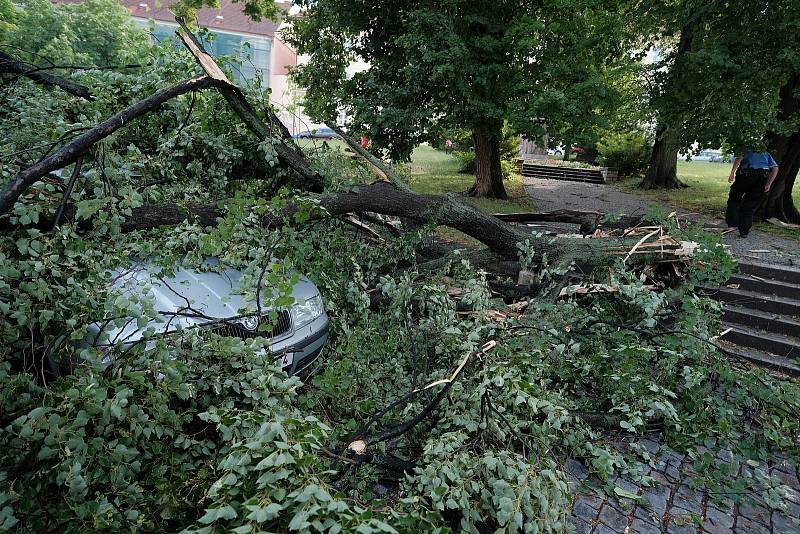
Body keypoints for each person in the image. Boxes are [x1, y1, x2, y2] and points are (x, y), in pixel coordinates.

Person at [725, 150, 779, 237]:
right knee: (750, 205)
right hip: (762, 178)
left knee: (734, 198)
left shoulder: (747, 148)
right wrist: (769, 184)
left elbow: (739, 158)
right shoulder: (765, 153)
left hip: (745, 175)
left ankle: (732, 224)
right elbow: (775, 168)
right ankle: (744, 231)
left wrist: (732, 173)